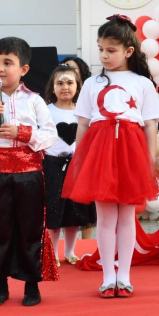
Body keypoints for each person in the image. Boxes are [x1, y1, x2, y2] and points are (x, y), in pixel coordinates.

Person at [62, 14, 159, 298]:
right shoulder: (92, 83)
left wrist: (149, 160)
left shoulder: (143, 83)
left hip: (131, 152)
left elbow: (150, 125)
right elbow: (83, 124)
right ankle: (108, 278)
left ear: (128, 51)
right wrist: (81, 158)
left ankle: (125, 276)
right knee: (105, 218)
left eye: (111, 50)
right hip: (100, 152)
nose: (104, 55)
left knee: (127, 216)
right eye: (101, 49)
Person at [0, 37, 58, 308]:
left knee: (30, 228)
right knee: (0, 230)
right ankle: (0, 286)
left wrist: (23, 133)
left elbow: (50, 135)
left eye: (8, 62)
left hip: (30, 174)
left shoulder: (35, 100)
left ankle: (32, 285)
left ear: (24, 69)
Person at [43, 65, 96, 265]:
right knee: (54, 211)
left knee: (75, 211)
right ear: (53, 87)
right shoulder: (46, 111)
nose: (65, 87)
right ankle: (52, 253)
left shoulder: (84, 112)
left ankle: (70, 251)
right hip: (52, 166)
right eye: (60, 83)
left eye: (69, 83)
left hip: (77, 167)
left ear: (78, 86)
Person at [60, 55, 95, 240]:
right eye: (64, 67)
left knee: (86, 205)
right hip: (60, 162)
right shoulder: (53, 102)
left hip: (85, 157)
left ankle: (86, 244)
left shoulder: (91, 97)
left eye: (73, 69)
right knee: (65, 205)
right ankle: (67, 247)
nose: (68, 71)